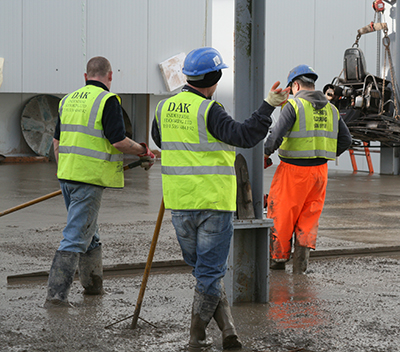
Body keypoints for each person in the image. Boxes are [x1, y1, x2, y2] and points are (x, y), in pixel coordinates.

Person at [151, 47, 289, 351]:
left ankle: (229, 331)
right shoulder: (209, 111)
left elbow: (160, 140)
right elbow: (245, 136)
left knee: (205, 273)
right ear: (213, 78)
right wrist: (268, 106)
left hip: (180, 205)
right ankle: (196, 337)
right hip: (213, 204)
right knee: (210, 274)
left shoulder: (163, 108)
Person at [44, 56, 155, 308]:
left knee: (89, 234)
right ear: (110, 76)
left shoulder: (67, 100)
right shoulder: (108, 101)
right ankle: (56, 296)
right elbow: (118, 141)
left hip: (68, 177)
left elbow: (56, 141)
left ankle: (93, 288)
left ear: (86, 76)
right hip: (88, 180)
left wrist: (64, 168)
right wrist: (143, 150)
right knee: (74, 236)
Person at [264, 64, 352, 274]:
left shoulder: (294, 106)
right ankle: (300, 266)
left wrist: (265, 154)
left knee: (282, 216)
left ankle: (278, 261)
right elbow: (346, 139)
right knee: (308, 217)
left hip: (292, 172)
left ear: (295, 85)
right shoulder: (332, 109)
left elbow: (275, 136)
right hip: (320, 173)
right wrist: (325, 153)